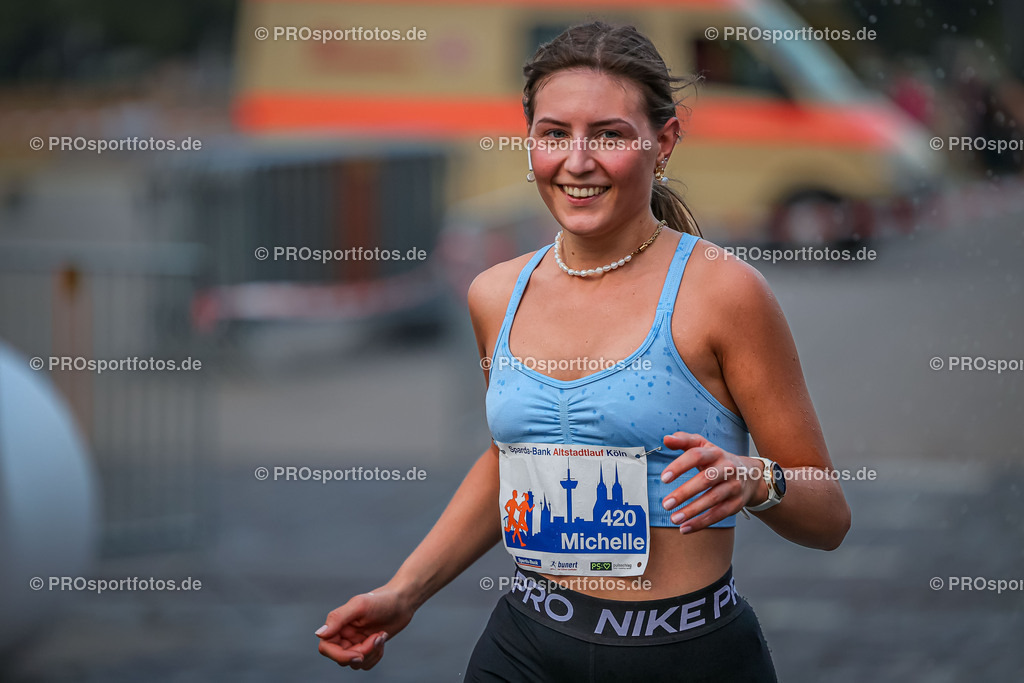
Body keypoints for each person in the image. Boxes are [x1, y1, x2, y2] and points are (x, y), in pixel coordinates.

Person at [315, 21, 851, 681]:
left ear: (665, 142)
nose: (577, 160)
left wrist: (756, 479)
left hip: (686, 655)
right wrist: (405, 590)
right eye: (553, 134)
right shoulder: (495, 292)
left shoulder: (725, 293)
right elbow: (510, 458)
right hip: (523, 648)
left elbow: (828, 516)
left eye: (609, 135)